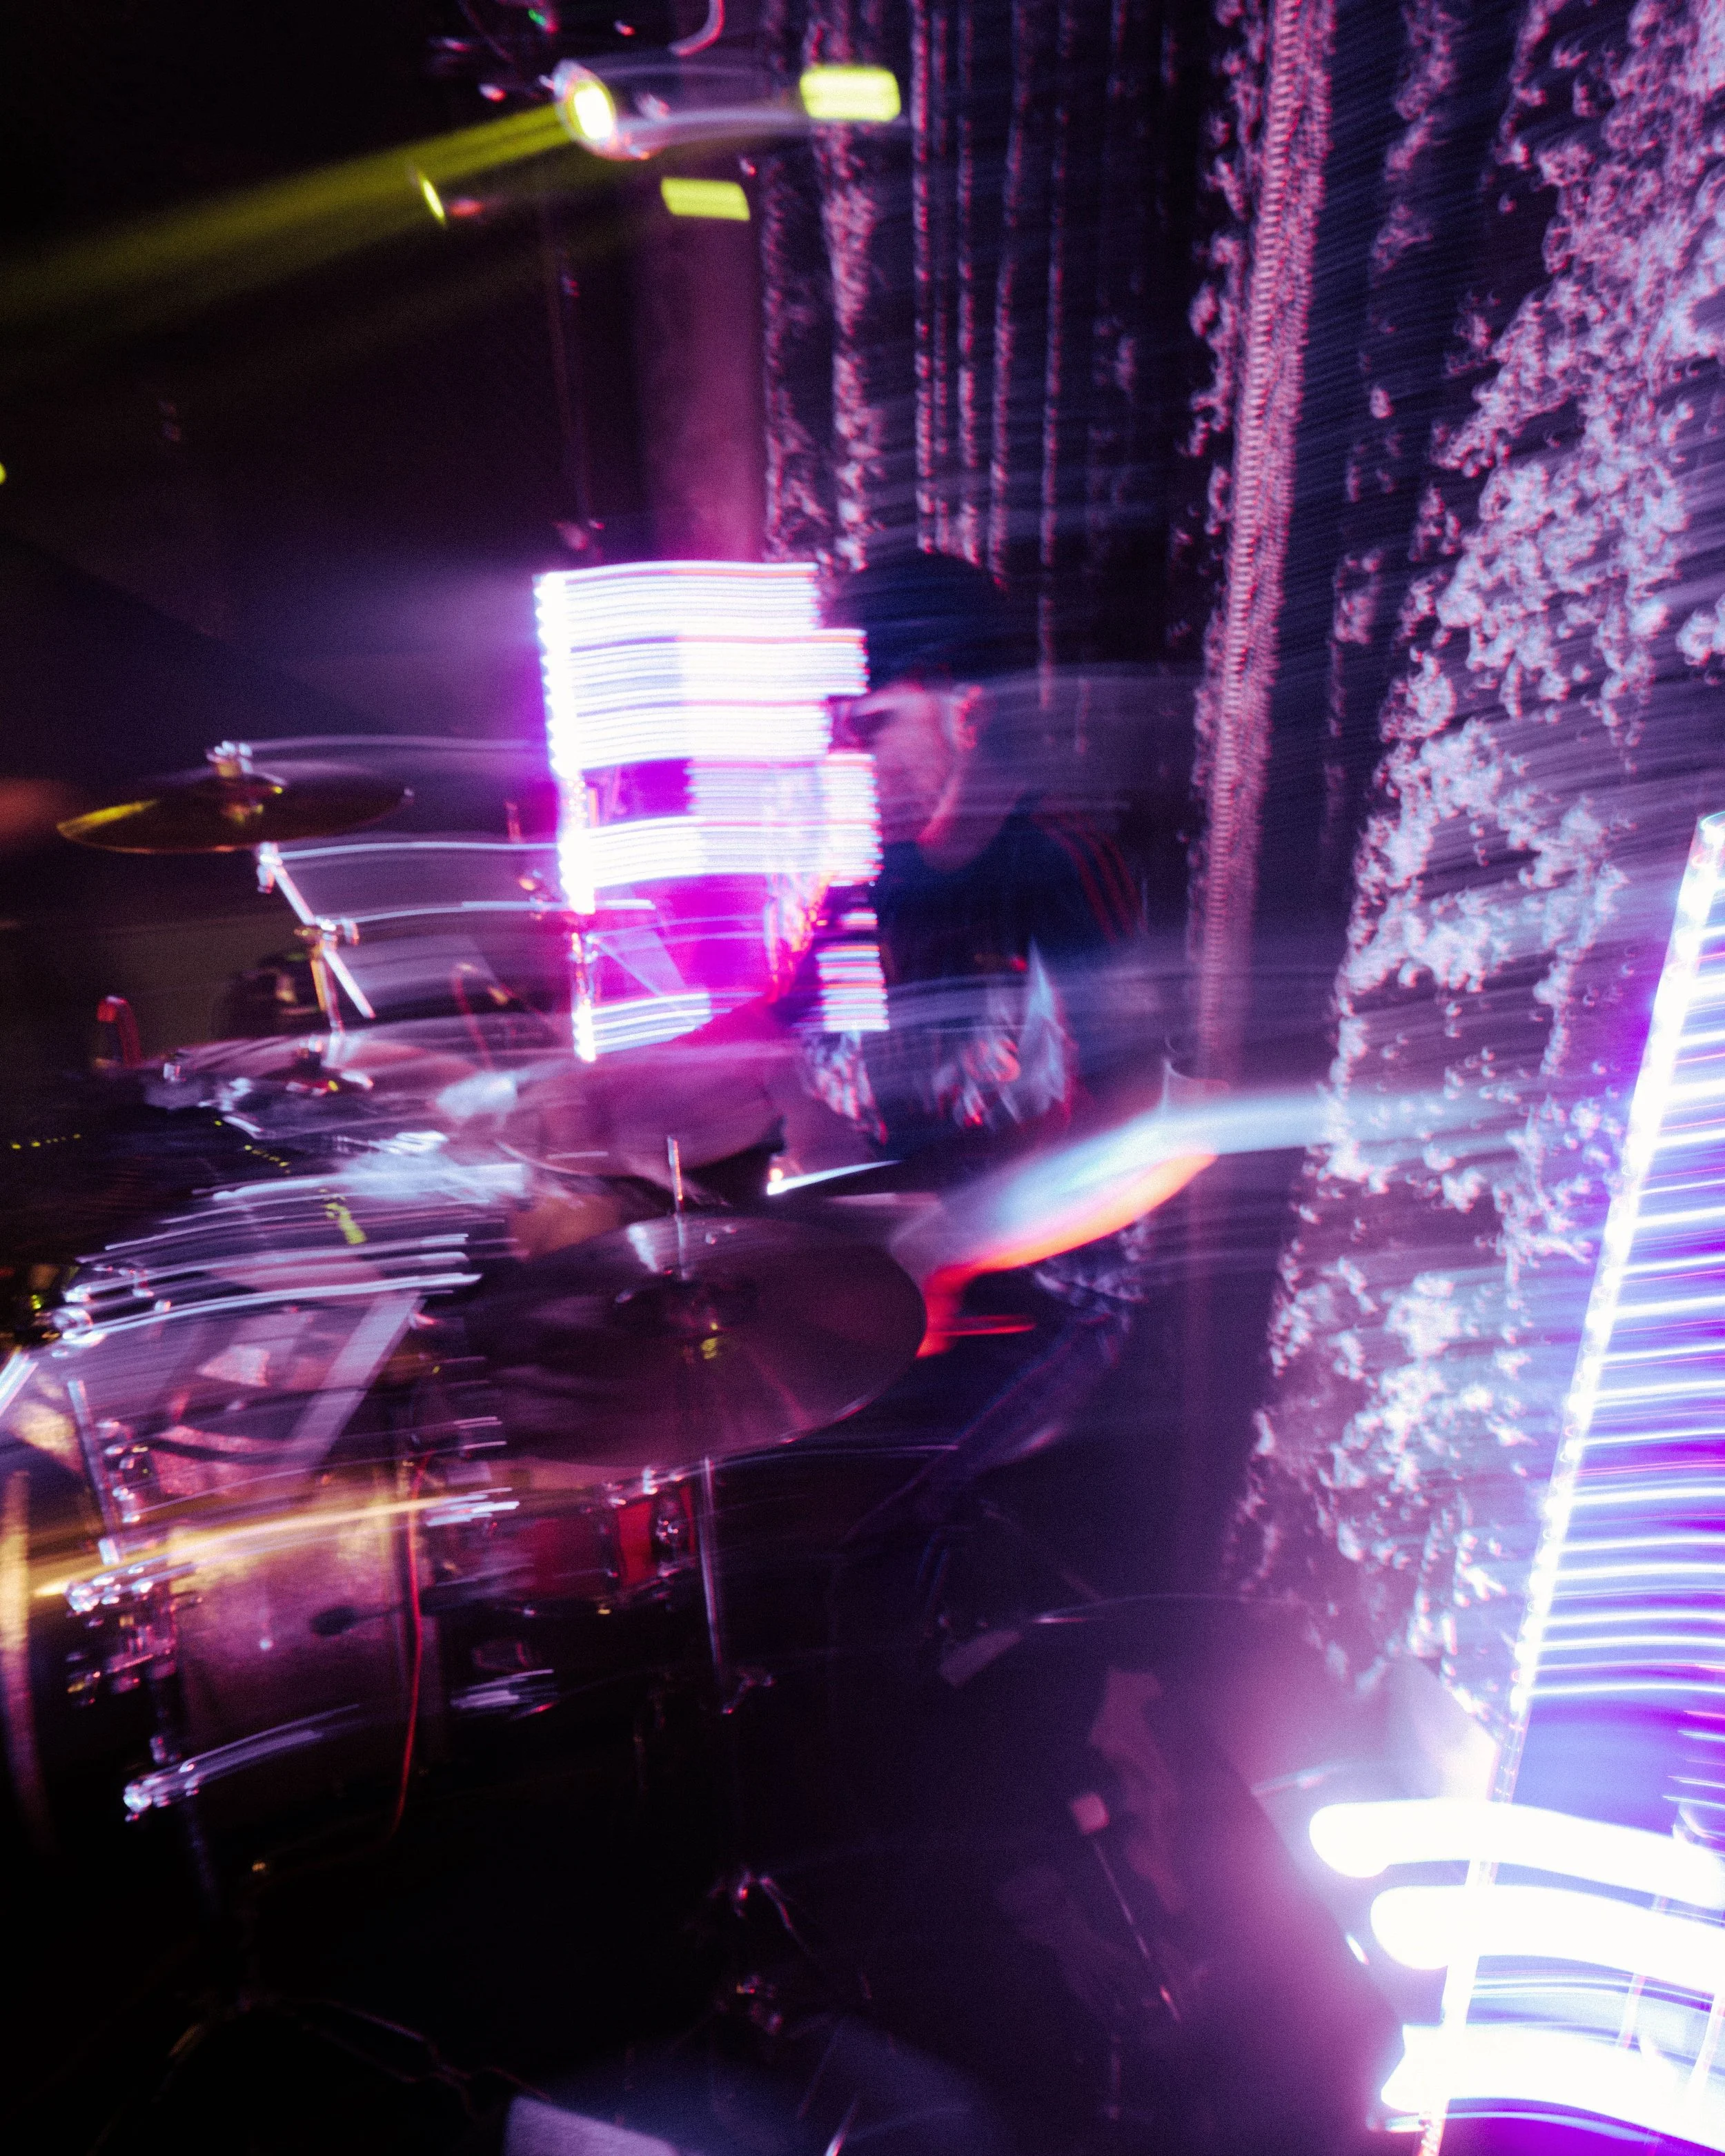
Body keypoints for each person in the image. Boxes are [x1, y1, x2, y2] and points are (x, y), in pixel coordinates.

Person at [823, 553, 1146, 1168]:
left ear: (967, 713)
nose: (849, 760)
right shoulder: (866, 875)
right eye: (839, 734)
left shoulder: (1062, 864)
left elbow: (1128, 1116)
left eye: (874, 727)